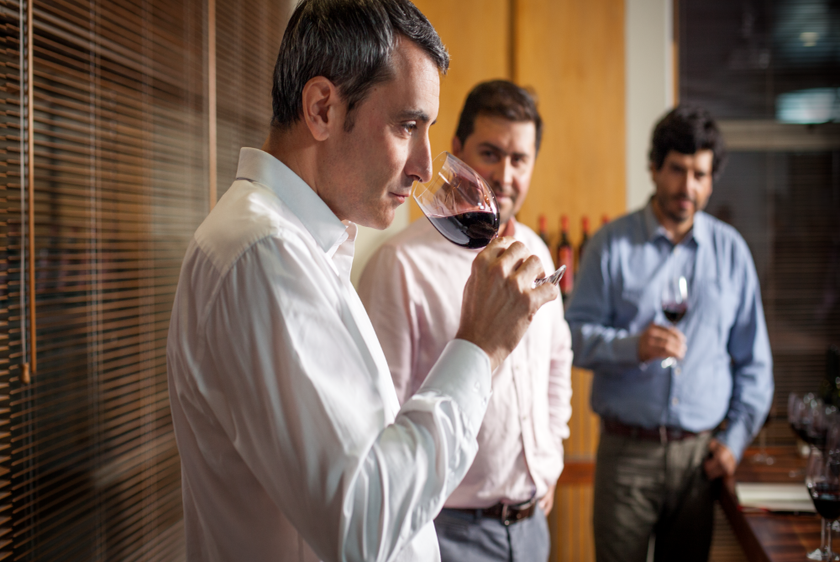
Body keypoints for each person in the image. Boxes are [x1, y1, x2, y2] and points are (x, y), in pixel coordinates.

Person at [165, 1, 559, 562]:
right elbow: (362, 524)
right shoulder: (263, 255)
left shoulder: (304, 245)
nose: (425, 167)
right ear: (322, 108)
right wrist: (479, 347)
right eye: (407, 126)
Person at [359, 80, 573, 562]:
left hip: (532, 525)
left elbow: (557, 363)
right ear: (457, 151)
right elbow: (381, 414)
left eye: (520, 159)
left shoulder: (538, 251)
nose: (505, 175)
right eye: (490, 154)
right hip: (446, 530)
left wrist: (551, 460)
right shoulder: (400, 265)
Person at [564, 105, 774, 562]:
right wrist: (631, 347)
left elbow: (755, 364)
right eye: (677, 170)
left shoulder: (732, 252)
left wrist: (734, 440)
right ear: (654, 168)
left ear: (711, 180)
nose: (688, 186)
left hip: (699, 461)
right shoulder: (610, 245)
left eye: (700, 174)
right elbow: (571, 338)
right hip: (626, 456)